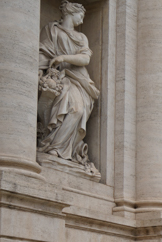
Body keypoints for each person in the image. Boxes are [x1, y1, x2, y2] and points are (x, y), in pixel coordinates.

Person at [38, 1, 101, 174]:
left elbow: (85, 59)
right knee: (70, 107)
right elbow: (43, 52)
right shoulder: (51, 30)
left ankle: (61, 149)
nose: (82, 19)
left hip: (78, 79)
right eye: (80, 15)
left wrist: (62, 57)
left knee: (78, 110)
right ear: (71, 13)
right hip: (59, 77)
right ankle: (54, 146)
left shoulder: (81, 37)